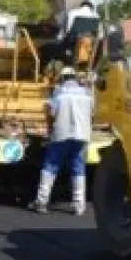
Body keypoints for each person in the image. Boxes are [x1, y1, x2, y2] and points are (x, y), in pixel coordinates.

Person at [30, 66, 93, 215]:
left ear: (63, 78)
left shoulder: (59, 95)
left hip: (61, 135)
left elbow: (50, 113)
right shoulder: (87, 95)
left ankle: (41, 201)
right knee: (78, 168)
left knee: (51, 166)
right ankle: (79, 206)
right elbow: (91, 114)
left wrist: (49, 129)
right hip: (82, 136)